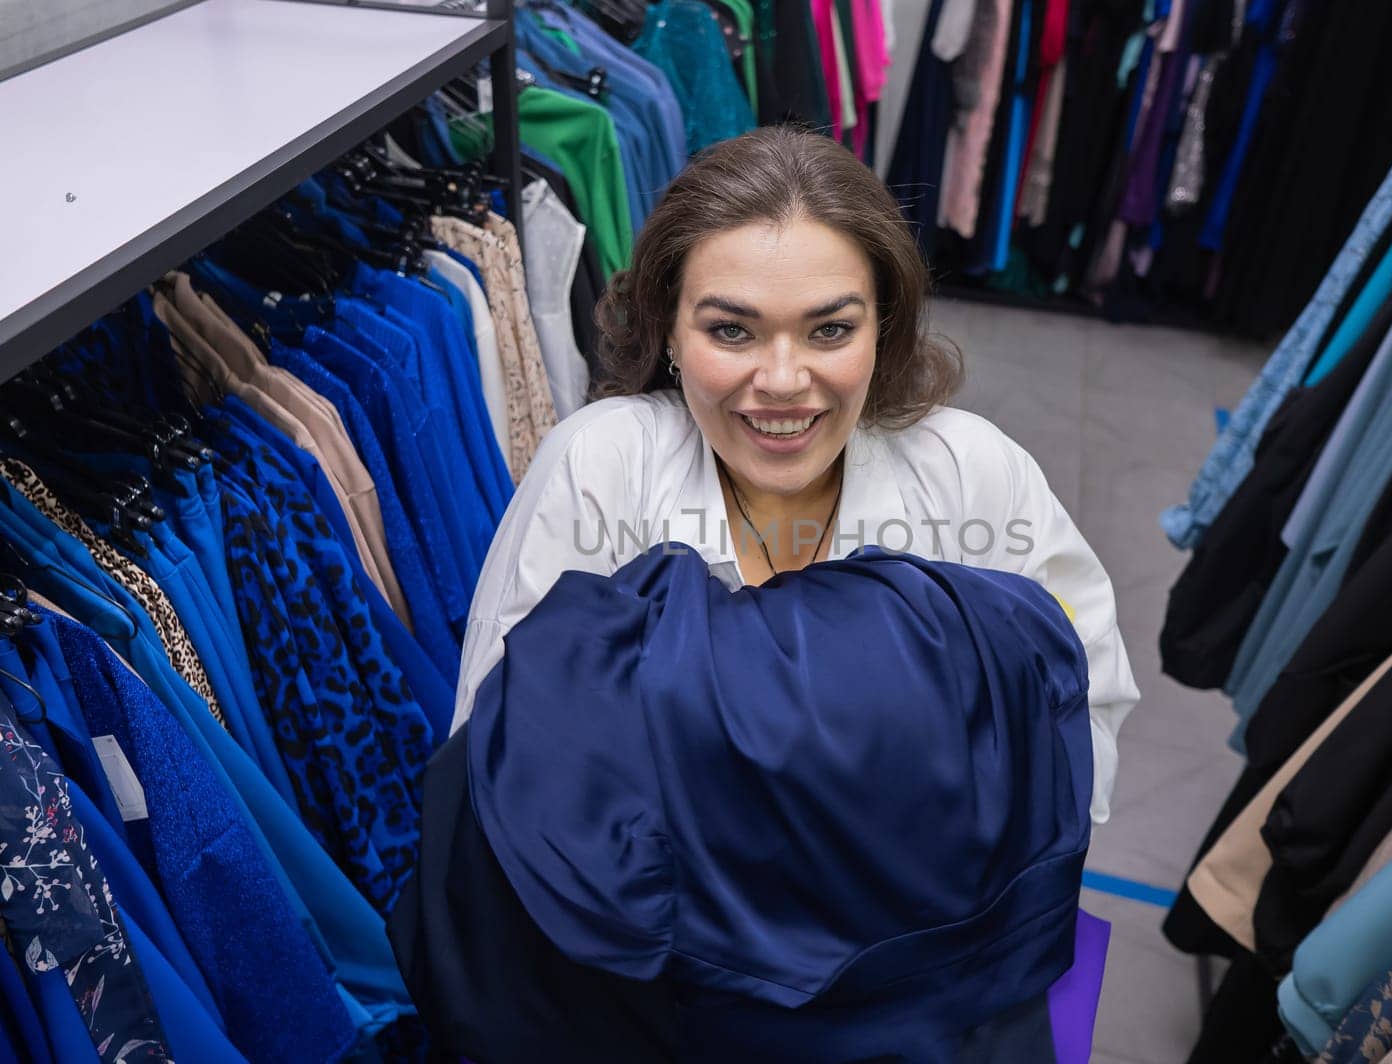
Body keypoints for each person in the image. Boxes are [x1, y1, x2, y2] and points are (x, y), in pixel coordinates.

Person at [452, 125, 1138, 826]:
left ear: (884, 326)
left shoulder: (977, 477)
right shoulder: (598, 468)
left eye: (830, 330)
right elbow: (503, 756)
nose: (782, 381)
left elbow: (1083, 704)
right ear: (667, 331)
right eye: (731, 331)